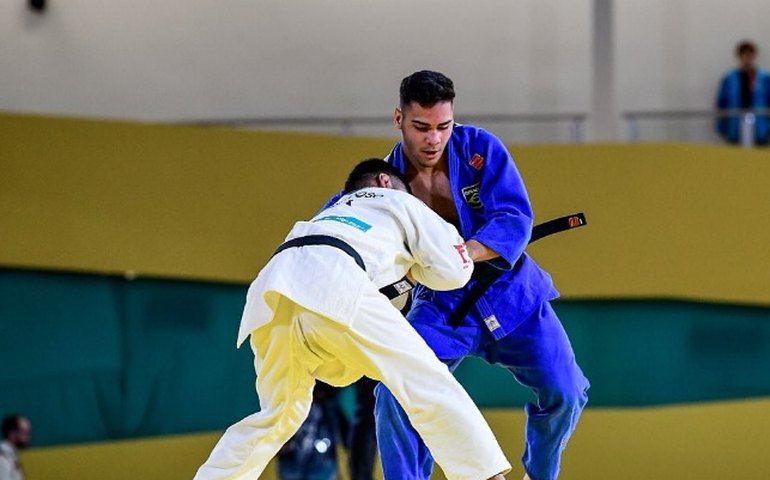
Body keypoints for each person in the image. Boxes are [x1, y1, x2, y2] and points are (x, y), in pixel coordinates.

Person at [194, 159, 511, 480]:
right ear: (385, 181)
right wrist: (460, 253)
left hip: (274, 288)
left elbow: (339, 370)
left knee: (277, 416)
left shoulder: (333, 213)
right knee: (427, 380)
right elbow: (453, 272)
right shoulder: (399, 200)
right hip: (334, 277)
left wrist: (410, 269)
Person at [373, 71, 590, 480]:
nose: (433, 139)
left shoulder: (480, 149)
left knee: (566, 391)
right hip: (442, 306)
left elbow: (513, 216)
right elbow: (356, 221)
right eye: (421, 127)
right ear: (399, 118)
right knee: (395, 391)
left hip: (512, 294)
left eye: (443, 126)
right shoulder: (385, 180)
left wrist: (463, 253)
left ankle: (539, 476)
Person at [715, 40, 770, 145]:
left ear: (754, 56)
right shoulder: (729, 78)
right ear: (739, 56)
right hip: (735, 126)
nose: (747, 58)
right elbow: (722, 103)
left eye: (750, 54)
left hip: (760, 126)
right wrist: (722, 127)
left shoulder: (764, 78)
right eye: (744, 54)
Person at [0, 415, 30, 480]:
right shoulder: (2, 458)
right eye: (24, 432)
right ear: (12, 433)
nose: (27, 436)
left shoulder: (11, 455)